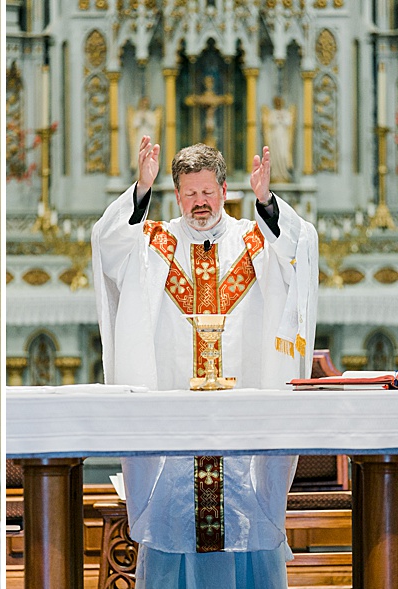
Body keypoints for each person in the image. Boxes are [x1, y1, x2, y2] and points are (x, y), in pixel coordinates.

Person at [91, 137, 318, 589]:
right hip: (177, 426)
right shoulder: (154, 243)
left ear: (224, 188)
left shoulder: (255, 241)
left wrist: (267, 201)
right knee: (176, 520)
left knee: (246, 519)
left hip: (240, 431)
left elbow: (298, 250)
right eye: (190, 194)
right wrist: (140, 188)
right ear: (176, 195)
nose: (200, 203)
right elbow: (107, 243)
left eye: (208, 192)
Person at [261, 96, 295, 183]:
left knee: (283, 155)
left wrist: (282, 119)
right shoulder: (272, 113)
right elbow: (270, 124)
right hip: (274, 138)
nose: (278, 104)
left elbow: (289, 123)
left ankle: (284, 174)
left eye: (280, 102)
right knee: (275, 156)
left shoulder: (286, 113)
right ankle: (275, 174)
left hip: (284, 138)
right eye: (277, 102)